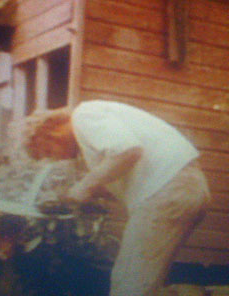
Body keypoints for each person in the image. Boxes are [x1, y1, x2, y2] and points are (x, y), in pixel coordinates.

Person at [26, 100, 210, 296]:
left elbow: (128, 151)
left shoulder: (84, 115)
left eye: (48, 152)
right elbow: (123, 171)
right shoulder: (94, 131)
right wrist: (84, 194)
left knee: (129, 285)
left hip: (168, 189)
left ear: (51, 133)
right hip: (185, 188)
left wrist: (84, 187)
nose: (56, 159)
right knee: (144, 282)